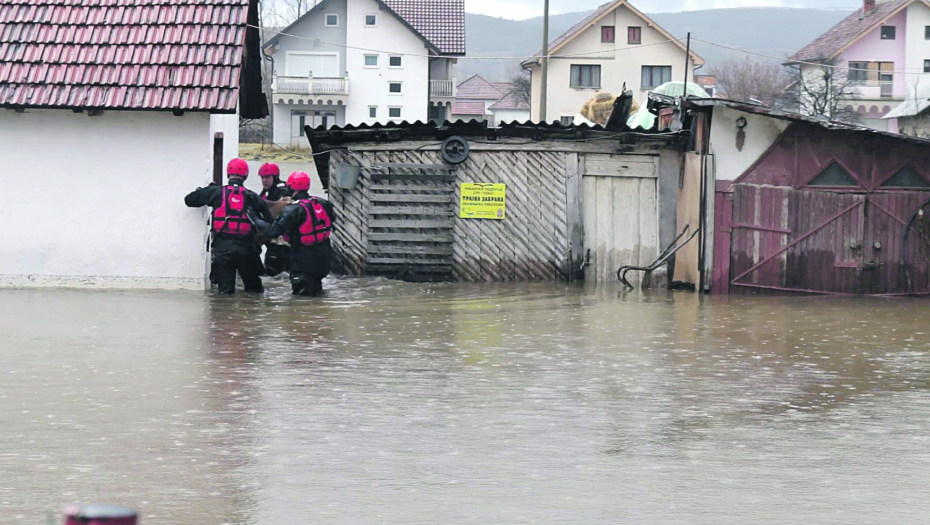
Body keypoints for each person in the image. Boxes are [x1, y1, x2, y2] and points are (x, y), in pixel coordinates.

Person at [184, 158, 272, 294]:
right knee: (254, 292)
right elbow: (268, 222)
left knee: (225, 293)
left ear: (228, 174)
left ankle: (224, 314)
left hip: (223, 250)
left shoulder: (216, 192)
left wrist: (208, 189)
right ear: (246, 175)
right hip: (246, 250)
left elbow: (189, 200)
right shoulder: (252, 196)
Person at [251, 171, 336, 296]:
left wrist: (255, 219)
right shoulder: (322, 203)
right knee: (317, 293)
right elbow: (331, 219)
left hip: (303, 260)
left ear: (292, 187)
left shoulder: (294, 209)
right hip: (323, 259)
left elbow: (273, 231)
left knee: (302, 299)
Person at [257, 162, 292, 277]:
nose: (264, 180)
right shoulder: (266, 192)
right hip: (274, 241)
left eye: (267, 177)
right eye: (262, 178)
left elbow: (282, 206)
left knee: (273, 273)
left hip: (282, 242)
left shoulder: (283, 190)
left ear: (275, 177)